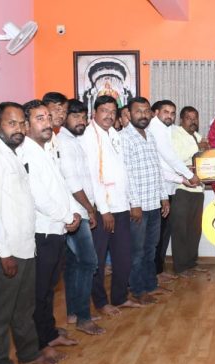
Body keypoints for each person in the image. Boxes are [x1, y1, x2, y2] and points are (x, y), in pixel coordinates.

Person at [0, 102, 57, 364]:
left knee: (24, 307)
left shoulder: (12, 153)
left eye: (22, 123)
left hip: (24, 244)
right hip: (6, 249)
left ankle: (28, 353)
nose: (19, 129)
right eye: (12, 123)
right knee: (0, 312)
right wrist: (4, 253)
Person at [21, 100, 81, 362]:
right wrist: (68, 216)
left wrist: (73, 212)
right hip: (41, 231)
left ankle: (49, 334)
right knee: (38, 292)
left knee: (48, 290)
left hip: (57, 229)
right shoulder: (25, 152)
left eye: (48, 117)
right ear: (26, 125)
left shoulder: (47, 148)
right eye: (40, 118)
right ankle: (38, 344)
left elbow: (61, 186)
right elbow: (39, 196)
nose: (47, 123)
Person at [79, 95, 137, 316]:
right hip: (103, 209)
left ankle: (120, 297)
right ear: (94, 112)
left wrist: (132, 202)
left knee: (123, 257)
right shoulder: (89, 136)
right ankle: (101, 302)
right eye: (104, 111)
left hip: (121, 205)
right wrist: (104, 210)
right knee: (99, 260)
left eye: (113, 112)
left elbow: (123, 171)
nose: (109, 115)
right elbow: (94, 176)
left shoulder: (114, 134)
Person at [56, 99, 105, 335]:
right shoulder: (64, 143)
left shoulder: (74, 141)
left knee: (75, 264)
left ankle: (74, 312)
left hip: (80, 210)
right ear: (65, 117)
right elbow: (72, 182)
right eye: (76, 116)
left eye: (84, 117)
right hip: (75, 211)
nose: (81, 121)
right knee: (89, 262)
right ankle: (84, 317)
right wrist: (90, 208)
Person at [121, 97, 171, 303]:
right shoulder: (124, 138)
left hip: (154, 203)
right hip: (138, 206)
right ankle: (138, 289)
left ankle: (150, 284)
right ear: (129, 114)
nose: (143, 115)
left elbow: (156, 168)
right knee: (137, 251)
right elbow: (126, 174)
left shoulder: (149, 135)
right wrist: (134, 204)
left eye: (146, 111)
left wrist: (164, 197)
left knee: (151, 248)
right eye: (138, 111)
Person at [148, 100, 200, 279]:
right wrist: (188, 176)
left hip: (168, 187)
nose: (169, 116)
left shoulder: (167, 129)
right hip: (158, 190)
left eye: (172, 113)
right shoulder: (155, 129)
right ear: (156, 113)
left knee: (162, 233)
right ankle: (155, 272)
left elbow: (168, 163)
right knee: (157, 235)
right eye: (166, 112)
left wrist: (183, 176)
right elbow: (169, 157)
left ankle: (158, 270)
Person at [171, 106, 209, 277]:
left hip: (198, 190)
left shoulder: (198, 136)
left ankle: (191, 263)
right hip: (182, 190)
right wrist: (199, 148)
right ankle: (180, 267)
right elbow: (176, 159)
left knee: (195, 229)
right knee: (181, 230)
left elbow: (204, 159)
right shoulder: (175, 134)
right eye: (189, 118)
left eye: (195, 118)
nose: (193, 121)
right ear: (181, 120)